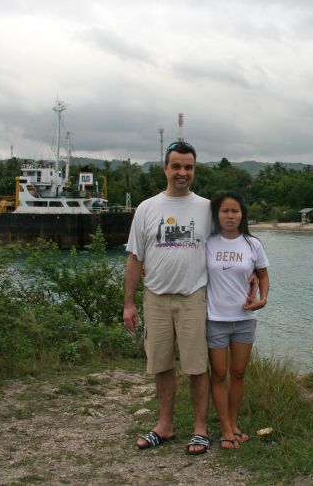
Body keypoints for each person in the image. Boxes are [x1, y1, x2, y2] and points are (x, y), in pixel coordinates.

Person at [123, 140, 213, 455]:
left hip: (193, 297)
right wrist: (129, 303)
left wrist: (255, 271)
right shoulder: (147, 208)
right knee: (161, 364)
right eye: (176, 166)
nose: (182, 172)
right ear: (165, 168)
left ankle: (200, 429)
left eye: (188, 166)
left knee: (196, 365)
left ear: (194, 170)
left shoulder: (206, 208)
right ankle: (165, 425)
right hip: (156, 298)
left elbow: (230, 241)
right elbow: (135, 257)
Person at [205, 190, 269, 450]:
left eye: (235, 211)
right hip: (215, 319)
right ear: (217, 214)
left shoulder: (252, 244)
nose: (230, 216)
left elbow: (263, 275)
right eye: (225, 211)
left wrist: (262, 299)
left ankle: (233, 423)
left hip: (244, 319)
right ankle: (225, 429)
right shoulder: (207, 242)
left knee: (239, 373)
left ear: (242, 215)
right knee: (219, 374)